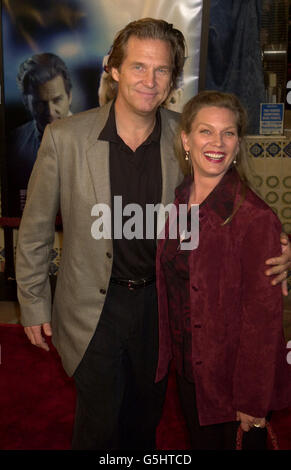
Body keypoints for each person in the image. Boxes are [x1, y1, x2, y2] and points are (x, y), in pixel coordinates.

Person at [15, 18, 290, 451]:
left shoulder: (186, 136)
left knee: (145, 424)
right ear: (115, 69)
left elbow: (233, 204)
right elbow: (33, 231)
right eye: (139, 67)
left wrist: (277, 245)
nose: (150, 79)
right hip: (92, 311)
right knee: (99, 427)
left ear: (172, 80)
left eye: (162, 70)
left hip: (162, 311)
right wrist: (32, 303)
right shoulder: (64, 138)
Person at [155, 90, 291, 450]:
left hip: (232, 380)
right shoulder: (180, 199)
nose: (217, 142)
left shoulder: (255, 218)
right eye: (206, 131)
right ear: (186, 139)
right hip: (190, 371)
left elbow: (263, 321)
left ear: (238, 143)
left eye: (228, 133)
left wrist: (251, 400)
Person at [7, 52, 73, 215]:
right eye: (40, 103)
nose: (50, 112)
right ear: (26, 102)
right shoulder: (13, 144)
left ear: (69, 97)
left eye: (57, 100)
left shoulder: (93, 138)